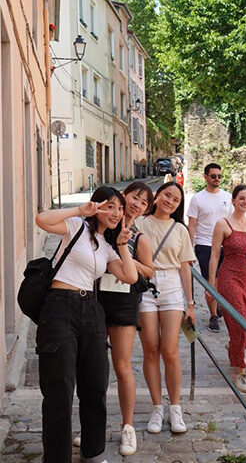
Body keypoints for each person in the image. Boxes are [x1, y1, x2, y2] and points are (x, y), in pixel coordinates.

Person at [34, 186, 138, 463]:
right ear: (97, 205)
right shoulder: (76, 226)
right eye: (111, 206)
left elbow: (129, 276)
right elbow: (42, 220)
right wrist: (81, 210)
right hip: (59, 306)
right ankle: (57, 458)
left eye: (120, 208)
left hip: (92, 309)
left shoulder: (107, 247)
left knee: (95, 385)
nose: (116, 213)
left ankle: (93, 452)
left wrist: (122, 245)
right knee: (60, 388)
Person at [82, 182, 153, 456]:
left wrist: (125, 258)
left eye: (143, 202)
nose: (137, 204)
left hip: (123, 303)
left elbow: (149, 271)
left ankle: (128, 427)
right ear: (124, 196)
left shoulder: (139, 236)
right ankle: (91, 428)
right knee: (92, 366)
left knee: (122, 366)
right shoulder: (101, 224)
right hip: (95, 300)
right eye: (134, 197)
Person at [135, 182, 195, 434]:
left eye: (176, 199)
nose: (170, 201)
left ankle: (176, 407)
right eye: (167, 195)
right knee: (150, 348)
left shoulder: (180, 229)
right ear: (157, 196)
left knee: (169, 349)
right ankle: (157, 407)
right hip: (145, 285)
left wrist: (190, 303)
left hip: (170, 286)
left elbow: (185, 267)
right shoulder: (139, 223)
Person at [209, 185, 246, 393]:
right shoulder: (223, 224)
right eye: (241, 198)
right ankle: (240, 370)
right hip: (229, 276)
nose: (245, 202)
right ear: (233, 200)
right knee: (239, 323)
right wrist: (211, 283)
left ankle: (234, 348)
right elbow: (213, 255)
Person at [187, 162, 232, 332]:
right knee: (210, 280)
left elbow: (232, 220)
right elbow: (192, 225)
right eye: (213, 176)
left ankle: (217, 302)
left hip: (225, 245)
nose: (217, 179)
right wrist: (188, 249)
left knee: (222, 280)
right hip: (204, 244)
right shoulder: (197, 198)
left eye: (219, 176)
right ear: (205, 177)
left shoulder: (227, 197)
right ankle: (213, 315)